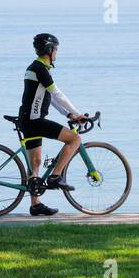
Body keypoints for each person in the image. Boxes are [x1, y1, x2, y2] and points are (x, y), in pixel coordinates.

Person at [17, 32, 87, 217]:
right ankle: (56, 176)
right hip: (35, 121)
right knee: (74, 139)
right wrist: (78, 113)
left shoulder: (36, 68)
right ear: (49, 50)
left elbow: (51, 99)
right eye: (55, 49)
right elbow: (57, 94)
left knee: (36, 163)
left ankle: (35, 205)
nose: (56, 53)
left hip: (27, 120)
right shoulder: (40, 69)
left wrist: (70, 114)